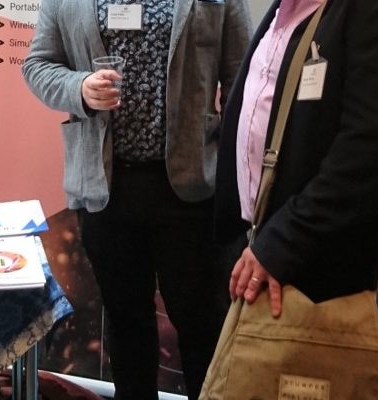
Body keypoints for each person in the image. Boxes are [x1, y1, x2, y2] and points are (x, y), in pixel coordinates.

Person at [22, 1, 252, 398]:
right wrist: (79, 88)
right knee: (126, 323)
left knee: (202, 323)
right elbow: (38, 65)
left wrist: (241, 174)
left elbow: (242, 77)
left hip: (193, 189)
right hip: (106, 189)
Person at [214, 0, 378, 336]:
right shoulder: (291, 7)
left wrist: (278, 246)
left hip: (321, 270)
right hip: (259, 249)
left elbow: (367, 154)